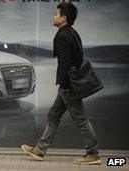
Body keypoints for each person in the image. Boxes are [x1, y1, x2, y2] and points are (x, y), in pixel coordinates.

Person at [21, 2, 101, 165]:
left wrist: (64, 85)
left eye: (56, 14)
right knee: (54, 115)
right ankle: (40, 149)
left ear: (63, 18)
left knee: (80, 118)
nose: (53, 16)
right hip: (68, 84)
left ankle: (93, 154)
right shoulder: (72, 33)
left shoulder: (64, 35)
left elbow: (65, 62)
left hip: (68, 86)